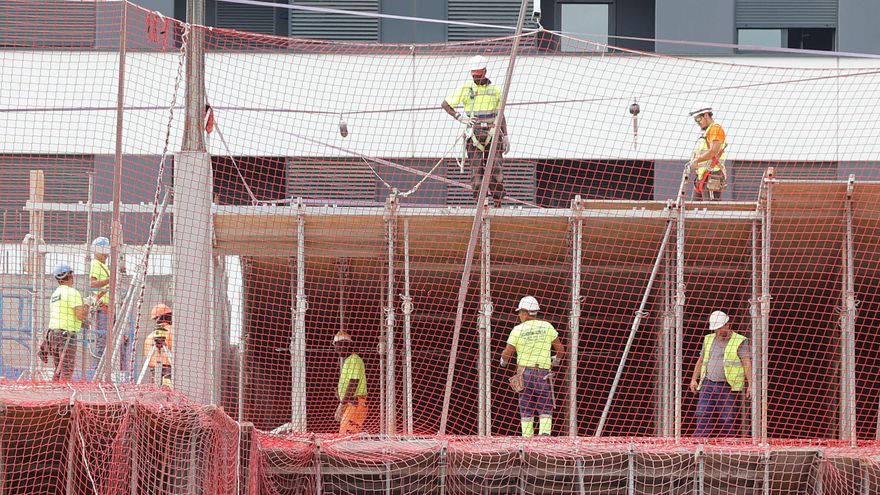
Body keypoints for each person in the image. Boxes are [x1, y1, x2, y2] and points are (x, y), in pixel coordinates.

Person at [441, 54, 508, 207]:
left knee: (496, 172)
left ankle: (497, 204)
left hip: (493, 132)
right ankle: (479, 205)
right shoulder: (466, 89)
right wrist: (459, 117)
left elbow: (501, 113)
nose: (476, 78)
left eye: (478, 75)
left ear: (485, 71)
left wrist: (506, 136)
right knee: (477, 175)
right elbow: (445, 104)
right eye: (474, 75)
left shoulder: (495, 90)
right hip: (474, 134)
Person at [501, 296, 565, 437]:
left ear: (525, 312)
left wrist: (503, 362)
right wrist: (556, 360)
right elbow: (560, 350)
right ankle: (544, 434)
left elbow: (507, 353)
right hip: (543, 374)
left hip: (525, 374)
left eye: (520, 312)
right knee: (545, 405)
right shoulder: (547, 326)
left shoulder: (517, 330)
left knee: (526, 406)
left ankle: (527, 436)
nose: (518, 315)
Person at [689, 310, 753, 438]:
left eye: (720, 328)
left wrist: (751, 384)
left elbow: (746, 362)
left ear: (727, 325)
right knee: (702, 412)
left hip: (726, 385)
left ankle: (727, 439)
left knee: (727, 416)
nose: (718, 332)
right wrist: (694, 379)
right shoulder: (708, 339)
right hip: (707, 382)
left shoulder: (739, 340)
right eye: (716, 329)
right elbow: (701, 360)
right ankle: (701, 438)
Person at [46, 264, 88, 381]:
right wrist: (88, 305)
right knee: (66, 369)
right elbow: (80, 315)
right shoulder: (72, 292)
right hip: (66, 336)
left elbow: (65, 313)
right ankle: (64, 396)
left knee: (58, 369)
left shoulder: (55, 294)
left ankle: (56, 393)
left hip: (53, 335)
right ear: (69, 275)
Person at [688, 105, 728, 201]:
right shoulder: (707, 132)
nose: (697, 122)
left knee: (710, 210)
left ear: (706, 115)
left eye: (698, 119)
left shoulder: (715, 129)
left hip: (712, 175)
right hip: (702, 177)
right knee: (692, 210)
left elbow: (714, 151)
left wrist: (697, 160)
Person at [333, 330, 368, 435]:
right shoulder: (348, 360)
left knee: (347, 437)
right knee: (348, 436)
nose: (337, 349)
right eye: (336, 345)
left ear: (347, 344)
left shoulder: (354, 360)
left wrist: (342, 404)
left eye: (339, 345)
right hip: (351, 404)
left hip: (355, 404)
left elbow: (353, 383)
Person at [89, 236, 111, 358]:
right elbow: (92, 284)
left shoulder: (104, 266)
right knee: (102, 341)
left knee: (113, 341)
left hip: (109, 308)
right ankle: (98, 371)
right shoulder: (95, 264)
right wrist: (109, 280)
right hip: (102, 308)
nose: (106, 254)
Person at [144, 304, 174, 386]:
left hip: (155, 372)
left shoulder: (150, 337)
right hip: (170, 372)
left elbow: (147, 358)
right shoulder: (174, 332)